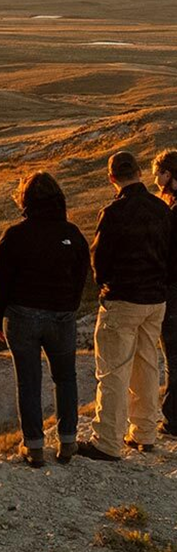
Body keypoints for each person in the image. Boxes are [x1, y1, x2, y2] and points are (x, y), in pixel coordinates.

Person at [77, 151, 172, 461]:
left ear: (112, 178)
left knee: (114, 371)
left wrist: (105, 286)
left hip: (123, 298)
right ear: (141, 173)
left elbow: (99, 259)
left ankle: (107, 441)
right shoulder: (161, 209)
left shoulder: (114, 212)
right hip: (155, 299)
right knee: (146, 365)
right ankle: (144, 432)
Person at [0, 172, 89, 467]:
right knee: (66, 377)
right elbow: (82, 275)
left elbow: (2, 281)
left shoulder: (15, 235)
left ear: (26, 201)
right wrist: (69, 306)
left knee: (28, 381)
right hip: (61, 314)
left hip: (22, 315)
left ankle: (34, 446)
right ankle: (68, 440)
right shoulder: (72, 234)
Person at [152, 150, 177, 437]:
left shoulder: (172, 212)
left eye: (158, 173)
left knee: (173, 356)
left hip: (172, 288)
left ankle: (173, 420)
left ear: (168, 175)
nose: (155, 179)